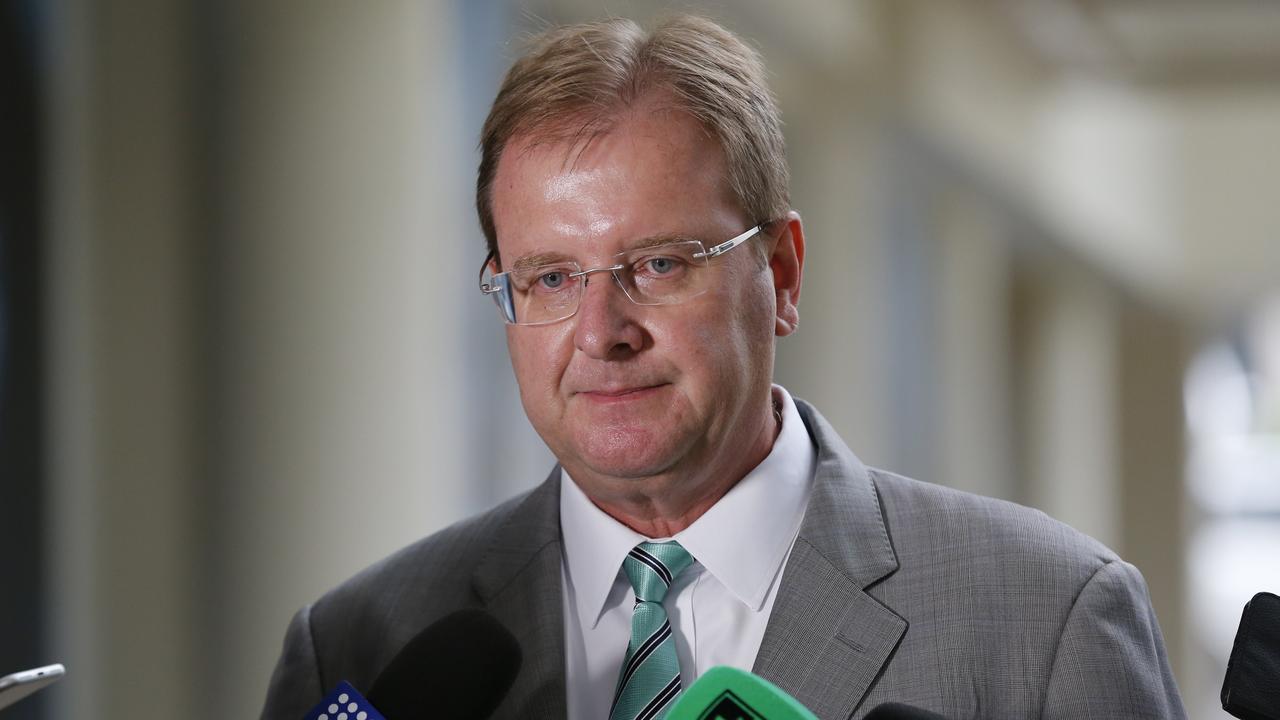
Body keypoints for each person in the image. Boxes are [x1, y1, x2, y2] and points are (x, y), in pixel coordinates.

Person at [261, 15, 1186, 720]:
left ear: (779, 274)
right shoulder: (363, 644)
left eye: (658, 265)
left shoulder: (1046, 619)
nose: (600, 331)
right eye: (549, 277)